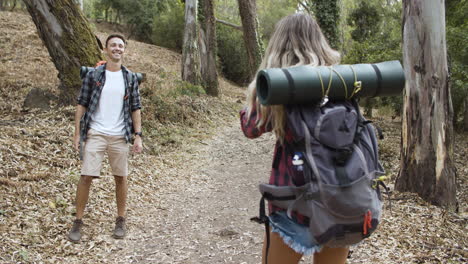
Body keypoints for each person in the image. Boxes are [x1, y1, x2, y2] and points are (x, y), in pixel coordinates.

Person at [240, 14, 350, 264]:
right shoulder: (342, 80)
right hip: (342, 198)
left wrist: (256, 93)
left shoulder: (280, 84)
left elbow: (250, 128)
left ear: (280, 44)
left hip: (293, 199)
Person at [68, 34, 143, 242]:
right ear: (106, 50)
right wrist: (77, 134)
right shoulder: (94, 75)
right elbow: (81, 104)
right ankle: (78, 221)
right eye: (113, 45)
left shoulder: (129, 77)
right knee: (86, 176)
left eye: (120, 46)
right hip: (96, 134)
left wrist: (138, 136)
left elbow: (136, 108)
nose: (117, 49)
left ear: (124, 50)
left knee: (121, 177)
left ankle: (121, 219)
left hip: (120, 136)